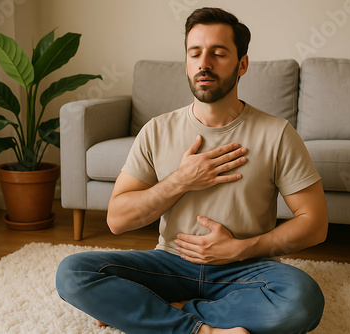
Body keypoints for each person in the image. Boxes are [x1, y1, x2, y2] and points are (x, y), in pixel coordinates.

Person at [56, 7, 328, 334]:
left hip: (244, 270)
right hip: (170, 265)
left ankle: (168, 311)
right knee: (72, 273)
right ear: (186, 61)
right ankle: (200, 330)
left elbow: (315, 224)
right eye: (195, 52)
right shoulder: (156, 130)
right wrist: (180, 180)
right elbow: (117, 219)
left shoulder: (277, 133)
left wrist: (241, 248)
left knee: (304, 301)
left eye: (218, 53)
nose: (204, 63)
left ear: (242, 64)